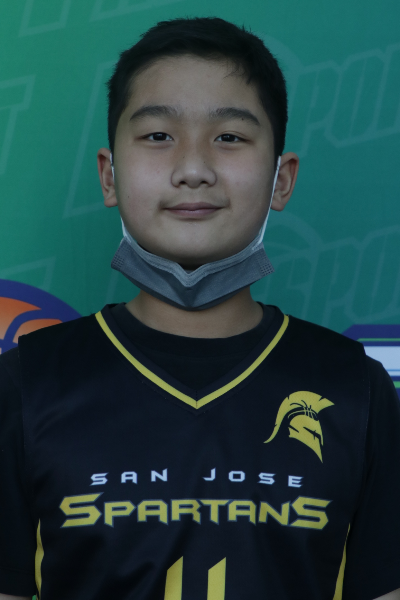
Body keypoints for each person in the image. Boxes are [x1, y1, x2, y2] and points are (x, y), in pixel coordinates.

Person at [0, 17, 399, 600]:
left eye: (229, 137)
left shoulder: (354, 390)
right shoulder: (26, 385)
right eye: (158, 135)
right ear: (109, 175)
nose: (193, 169)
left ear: (281, 180)